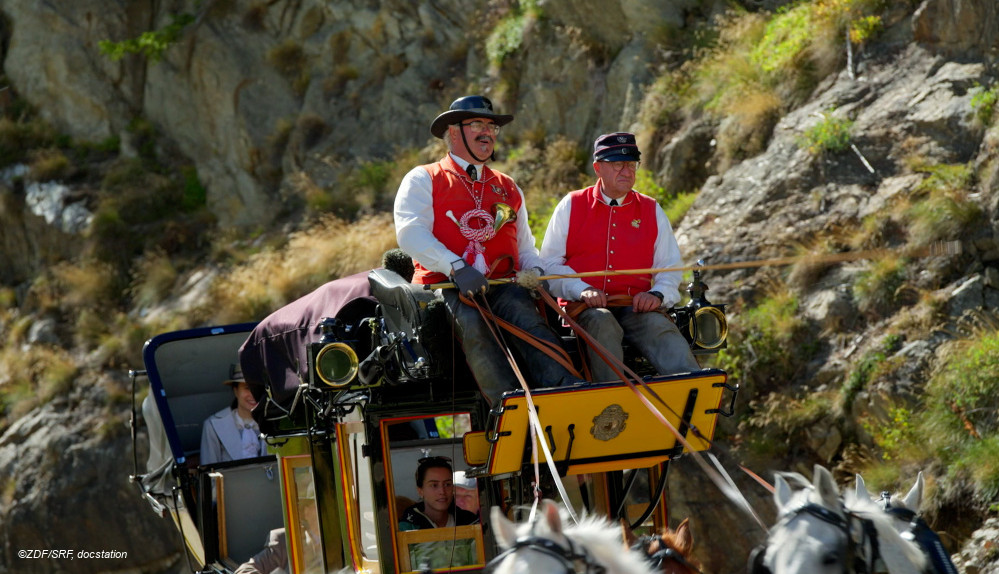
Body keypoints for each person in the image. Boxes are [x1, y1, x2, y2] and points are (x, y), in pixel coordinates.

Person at [394, 95, 580, 404]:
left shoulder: (508, 185)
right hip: (445, 287)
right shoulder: (423, 178)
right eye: (477, 124)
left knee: (528, 317)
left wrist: (533, 272)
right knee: (474, 328)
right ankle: (510, 406)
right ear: (453, 132)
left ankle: (566, 391)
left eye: (492, 127)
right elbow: (410, 234)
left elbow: (525, 249)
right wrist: (456, 266)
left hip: (502, 284)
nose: (488, 132)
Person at [540, 132, 700, 382]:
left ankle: (695, 395)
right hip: (585, 308)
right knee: (603, 323)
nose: (627, 171)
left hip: (635, 305)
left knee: (660, 328)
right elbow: (548, 266)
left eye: (632, 164)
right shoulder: (571, 205)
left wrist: (657, 295)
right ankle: (611, 405)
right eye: (618, 164)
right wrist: (581, 290)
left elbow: (668, 268)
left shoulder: (651, 209)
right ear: (598, 168)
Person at [200, 363, 267, 465]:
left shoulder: (272, 422)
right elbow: (209, 471)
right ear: (236, 391)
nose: (253, 394)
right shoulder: (212, 425)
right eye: (247, 388)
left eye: (257, 388)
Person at [399, 457, 479, 530]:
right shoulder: (407, 527)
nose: (442, 491)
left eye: (447, 484)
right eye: (434, 485)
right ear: (420, 491)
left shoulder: (470, 522)